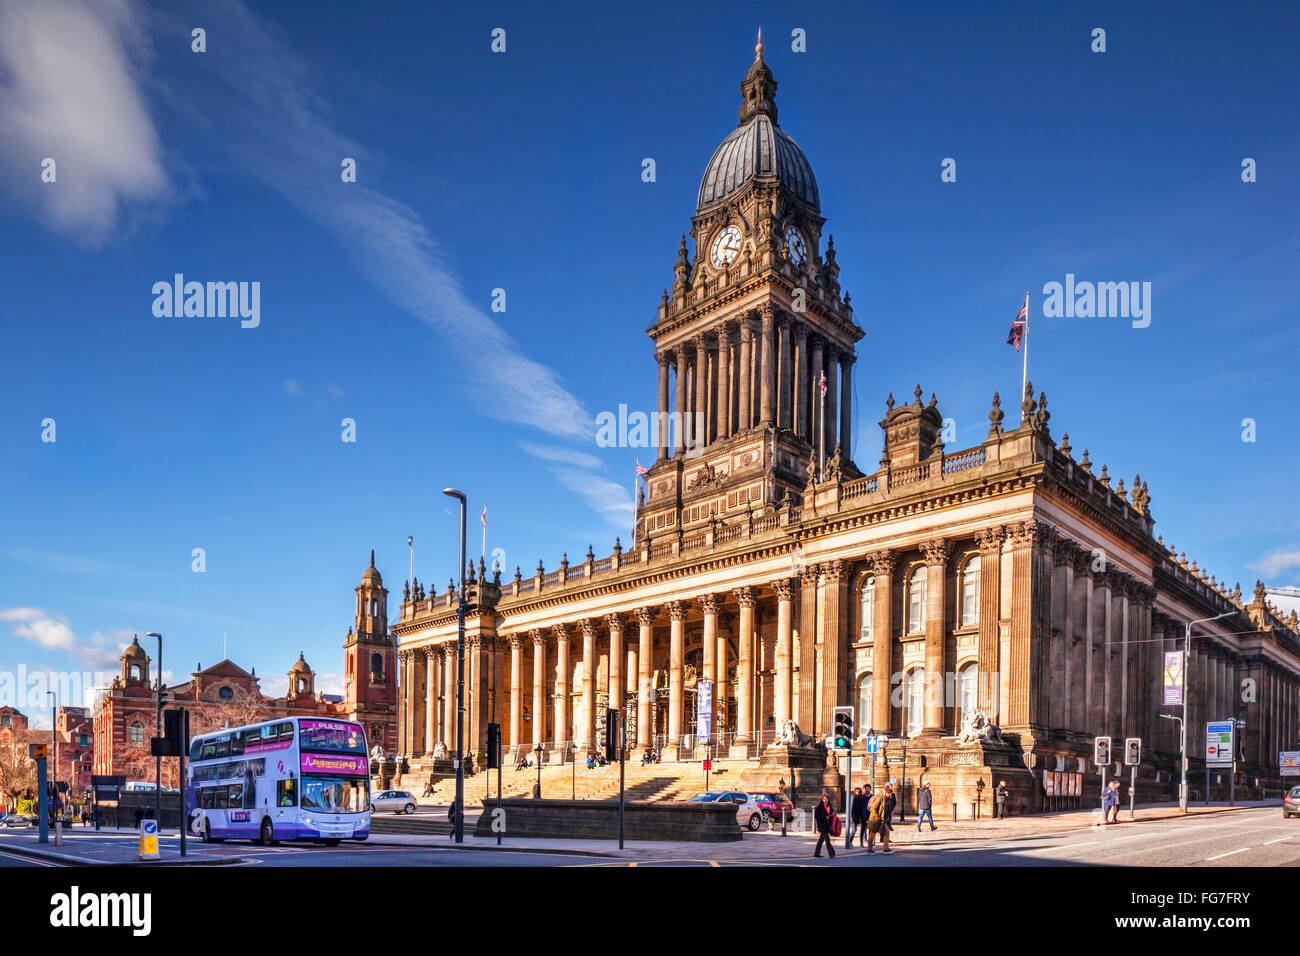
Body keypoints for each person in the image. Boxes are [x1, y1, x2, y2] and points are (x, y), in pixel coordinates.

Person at [866, 786, 892, 853]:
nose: (890, 794)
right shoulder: (879, 798)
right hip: (875, 819)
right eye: (889, 793)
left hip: (882, 820)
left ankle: (886, 848)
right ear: (885, 792)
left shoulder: (887, 799)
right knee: (872, 834)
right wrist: (877, 817)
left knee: (886, 832)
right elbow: (873, 808)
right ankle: (869, 849)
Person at [813, 791, 836, 859]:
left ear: (828, 800)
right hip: (822, 826)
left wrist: (834, 814)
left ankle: (816, 853)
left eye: (826, 799)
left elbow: (832, 814)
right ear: (822, 800)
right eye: (824, 799)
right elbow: (816, 816)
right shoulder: (819, 807)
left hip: (827, 826)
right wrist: (824, 817)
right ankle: (832, 853)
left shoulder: (830, 807)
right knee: (827, 840)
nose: (825, 800)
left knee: (821, 840)